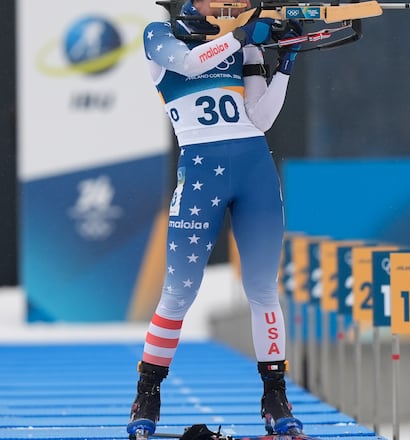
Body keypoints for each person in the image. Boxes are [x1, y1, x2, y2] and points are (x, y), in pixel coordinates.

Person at [128, 0, 303, 437]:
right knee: (177, 295)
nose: (233, 4)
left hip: (255, 171)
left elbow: (259, 118)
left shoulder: (241, 44)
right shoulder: (158, 34)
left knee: (263, 290)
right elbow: (187, 63)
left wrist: (284, 63)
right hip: (202, 175)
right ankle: (147, 395)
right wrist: (241, 36)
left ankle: (275, 396)